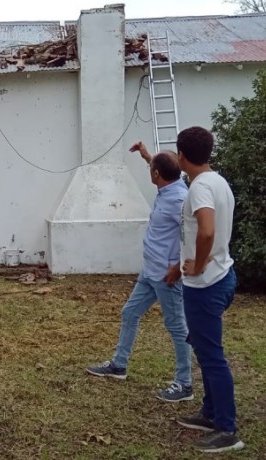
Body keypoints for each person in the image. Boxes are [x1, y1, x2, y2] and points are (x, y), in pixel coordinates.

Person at [86, 141, 193, 402]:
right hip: (150, 272)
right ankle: (119, 365)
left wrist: (178, 268)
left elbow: (193, 233)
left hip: (167, 276)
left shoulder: (179, 199)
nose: (151, 169)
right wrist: (148, 156)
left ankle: (184, 384)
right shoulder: (170, 185)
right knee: (130, 312)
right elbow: (163, 168)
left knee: (177, 327)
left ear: (156, 175)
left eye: (152, 167)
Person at [170, 126, 244, 453]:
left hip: (206, 283)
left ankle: (227, 429)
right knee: (204, 349)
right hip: (222, 276)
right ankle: (210, 413)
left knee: (212, 357)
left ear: (182, 156)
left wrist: (197, 265)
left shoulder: (199, 188)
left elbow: (206, 231)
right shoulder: (218, 181)